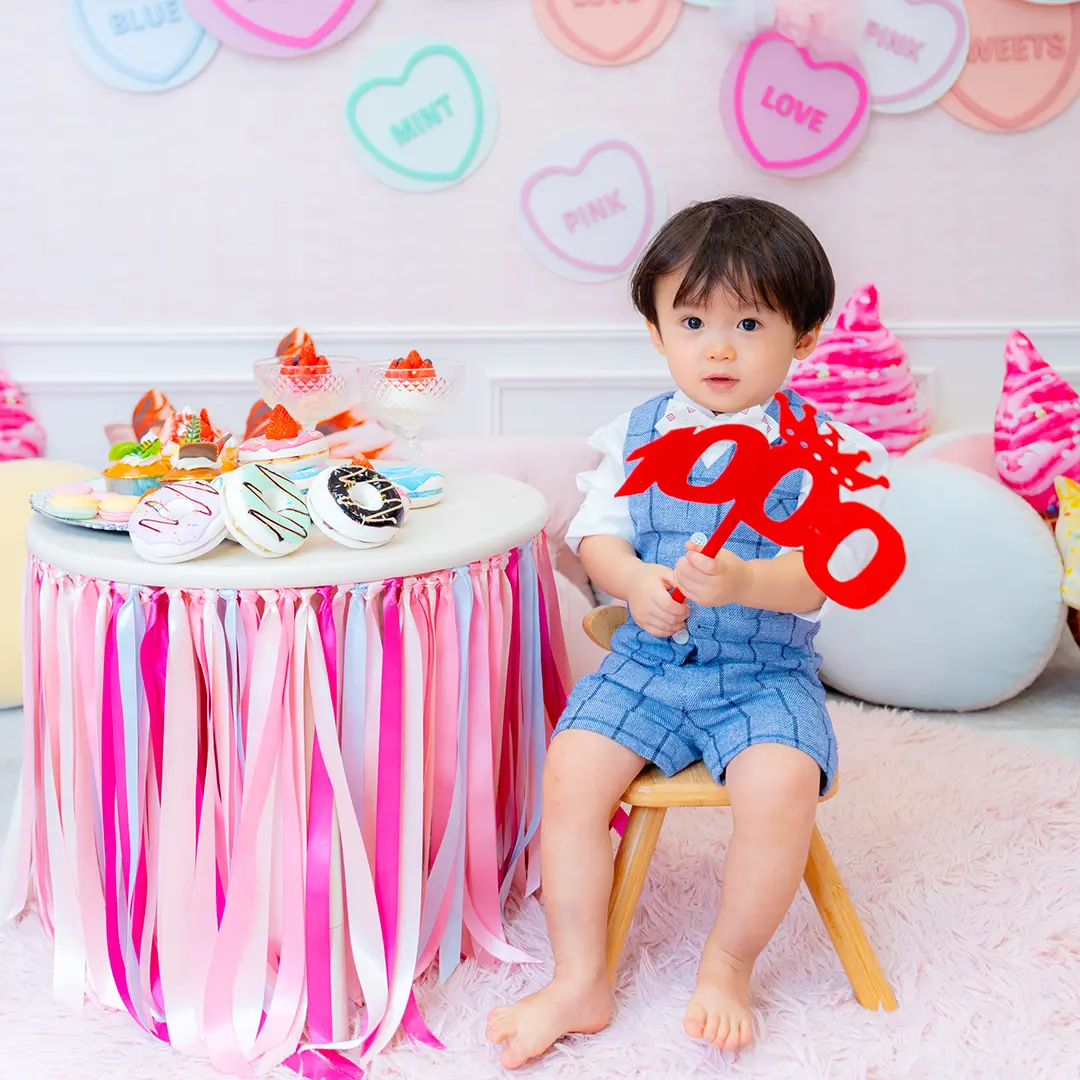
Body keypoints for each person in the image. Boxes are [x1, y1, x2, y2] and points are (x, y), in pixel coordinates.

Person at [487, 196, 889, 1068]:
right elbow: (596, 536)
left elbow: (825, 570)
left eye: (749, 323)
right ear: (656, 330)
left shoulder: (820, 451)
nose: (719, 349)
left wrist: (748, 581)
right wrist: (634, 582)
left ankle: (728, 965)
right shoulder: (636, 437)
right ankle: (579, 977)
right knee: (572, 772)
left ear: (804, 338)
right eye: (694, 321)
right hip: (648, 663)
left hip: (763, 675)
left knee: (781, 785)